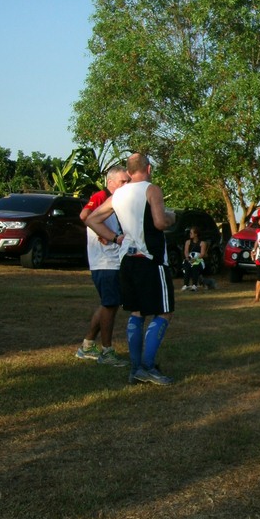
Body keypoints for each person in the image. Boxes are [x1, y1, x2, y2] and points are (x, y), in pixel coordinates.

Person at [85, 152, 176, 386]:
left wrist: (115, 238)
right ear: (149, 168)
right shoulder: (151, 190)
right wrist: (171, 218)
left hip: (127, 259)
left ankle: (136, 368)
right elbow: (159, 222)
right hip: (151, 258)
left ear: (128, 171)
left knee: (136, 312)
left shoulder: (118, 194)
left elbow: (92, 219)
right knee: (164, 311)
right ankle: (147, 366)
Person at [76, 165, 131, 367]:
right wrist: (106, 234)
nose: (127, 185)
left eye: (128, 181)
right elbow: (85, 216)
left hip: (113, 261)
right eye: (123, 181)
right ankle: (106, 351)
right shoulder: (102, 196)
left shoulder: (118, 200)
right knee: (110, 304)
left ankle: (87, 345)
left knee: (110, 304)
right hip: (105, 261)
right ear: (110, 182)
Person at [181, 226, 208, 292]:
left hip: (198, 259)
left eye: (191, 233)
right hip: (190, 259)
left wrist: (195, 259)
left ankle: (194, 285)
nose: (190, 234)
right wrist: (187, 257)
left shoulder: (202, 243)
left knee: (195, 266)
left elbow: (202, 254)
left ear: (196, 234)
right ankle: (185, 284)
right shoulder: (188, 242)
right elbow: (186, 251)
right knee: (187, 266)